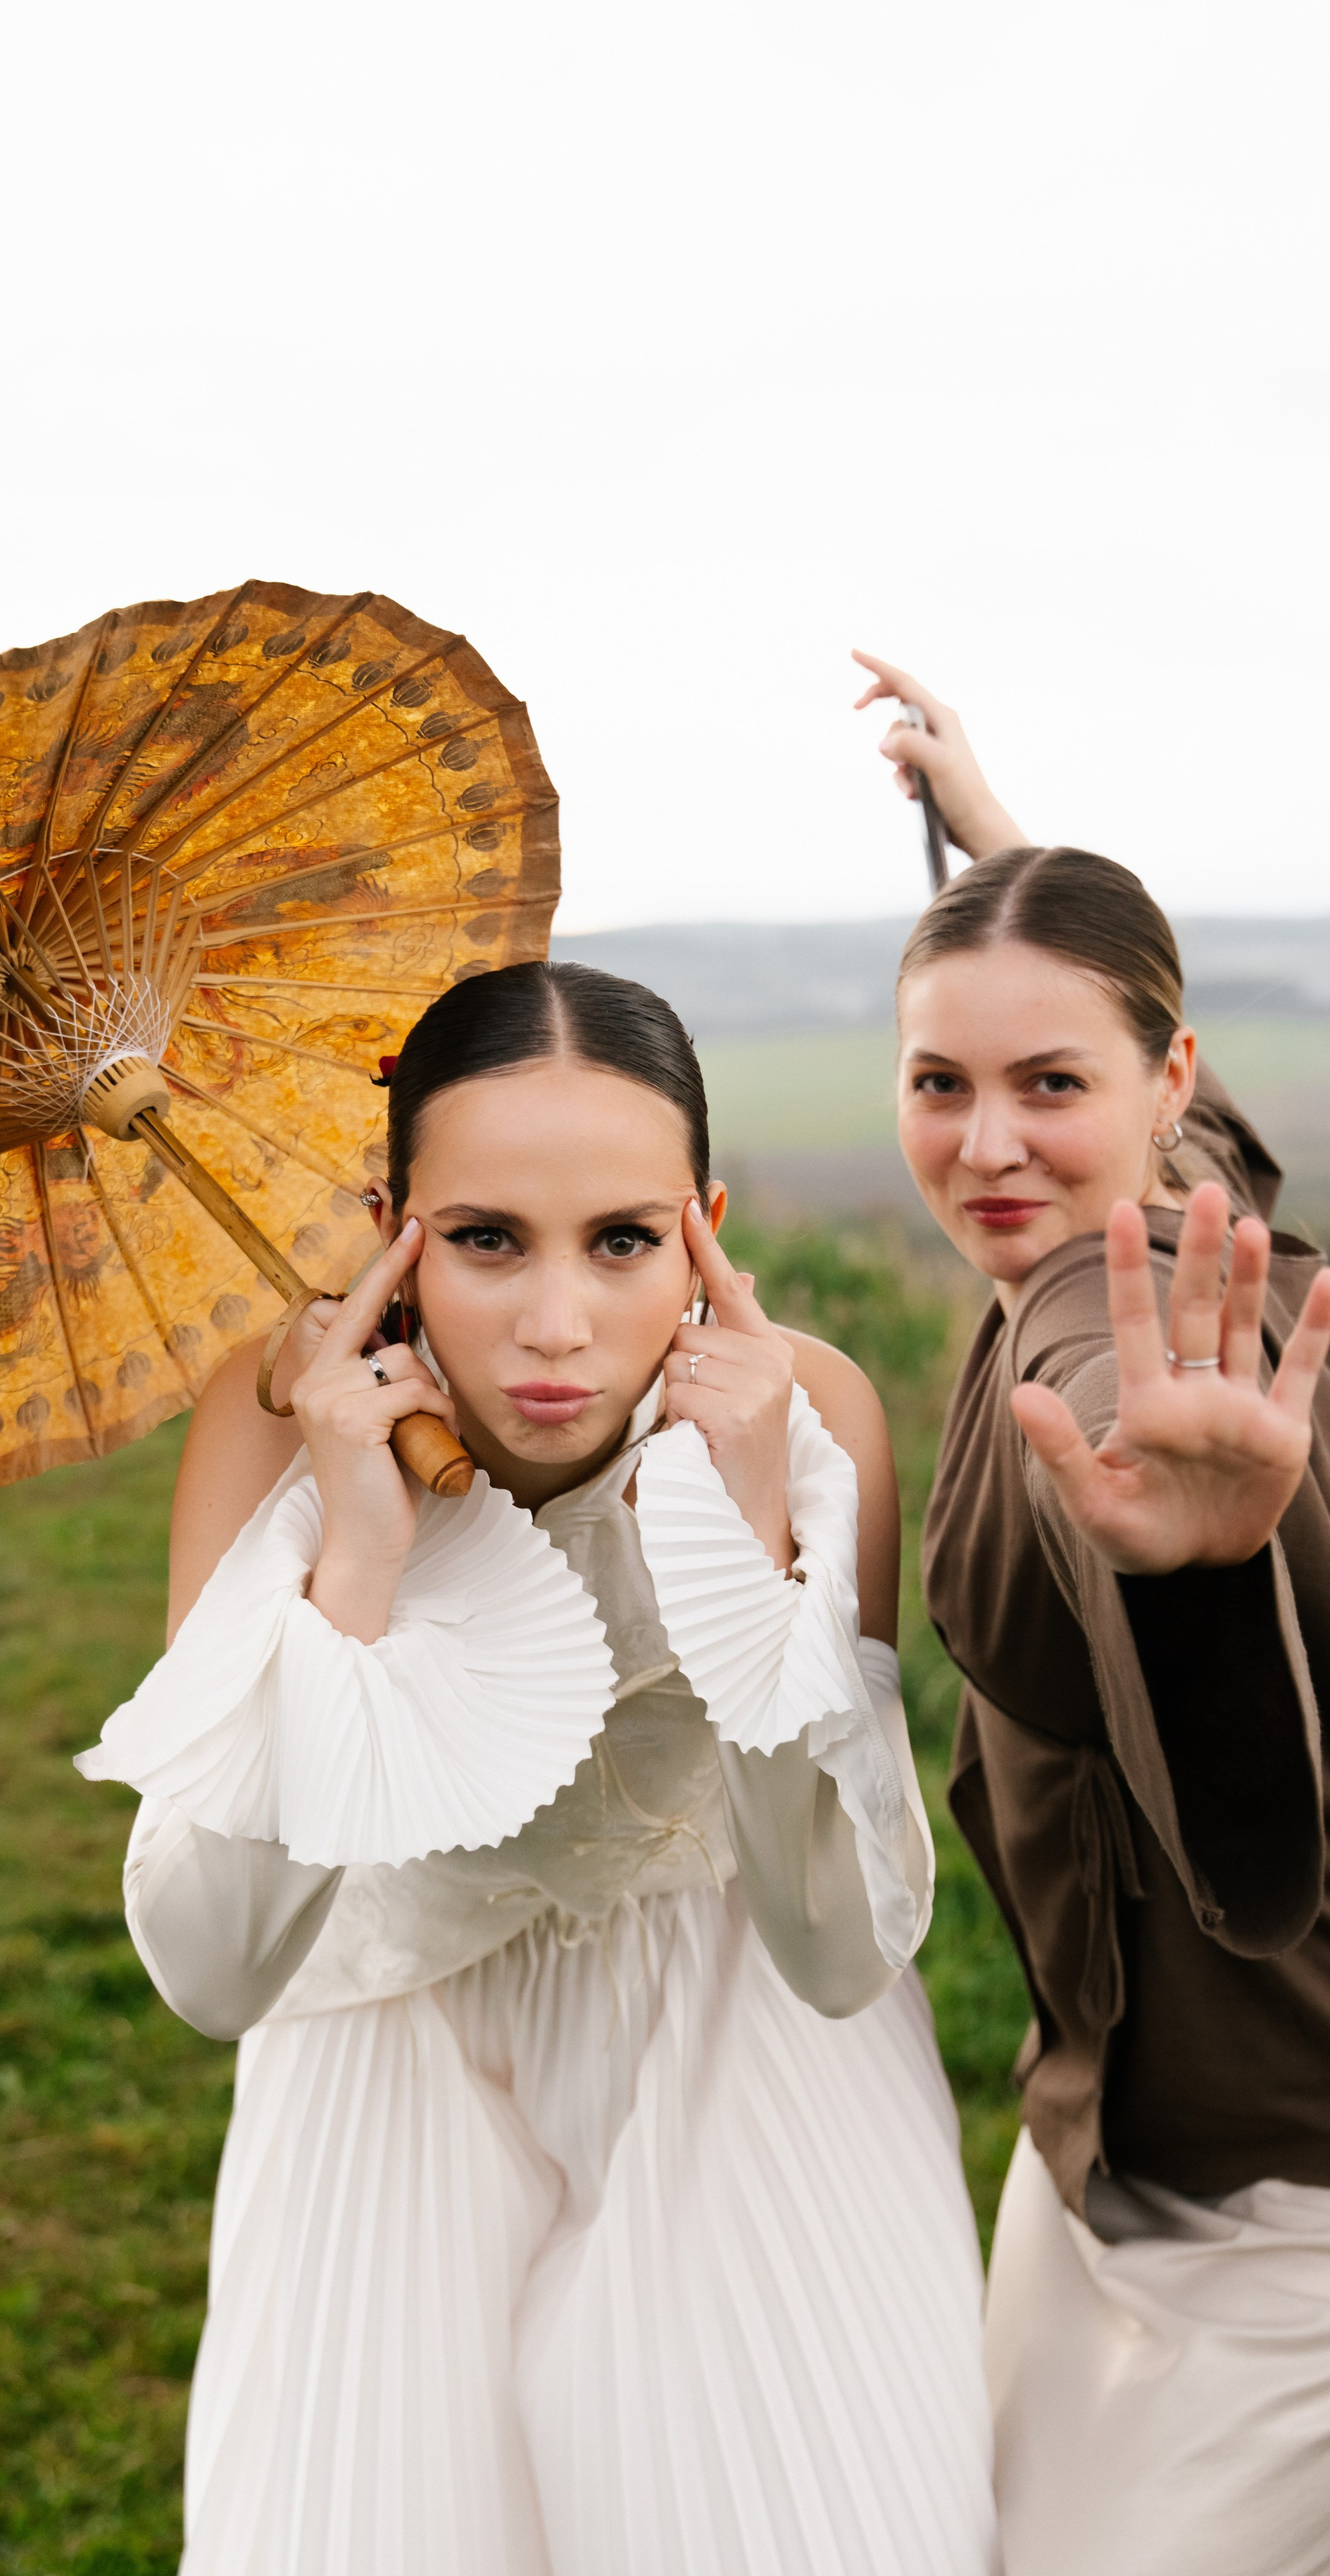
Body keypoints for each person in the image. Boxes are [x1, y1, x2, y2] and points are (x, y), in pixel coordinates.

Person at [77, 960, 998, 2576]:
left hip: (745, 2055)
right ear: (392, 1215)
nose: (557, 1323)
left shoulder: (800, 1411)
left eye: (624, 1240)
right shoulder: (277, 1415)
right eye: (488, 1238)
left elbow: (838, 1949)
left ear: (702, 1222)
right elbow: (212, 1964)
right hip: (384, 2079)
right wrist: (349, 1569)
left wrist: (755, 1552)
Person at [854, 651, 1330, 2575]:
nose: (985, 1144)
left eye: (1048, 1083)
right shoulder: (1163, 1187)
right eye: (938, 1081)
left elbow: (1249, 1835)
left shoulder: (1109, 1326)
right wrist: (1000, 849)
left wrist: (1203, 1571)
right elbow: (1139, 1100)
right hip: (1134, 2145)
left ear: (1161, 1081)